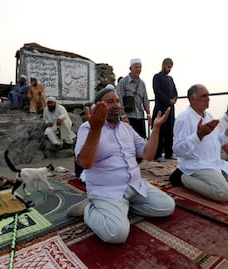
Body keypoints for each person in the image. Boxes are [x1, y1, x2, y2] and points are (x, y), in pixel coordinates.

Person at [66, 87, 175, 244]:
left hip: (134, 186)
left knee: (167, 206)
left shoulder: (126, 128)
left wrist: (156, 128)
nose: (117, 105)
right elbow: (85, 163)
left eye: (117, 101)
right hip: (107, 190)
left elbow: (148, 155)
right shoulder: (87, 128)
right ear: (97, 107)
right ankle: (90, 208)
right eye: (110, 102)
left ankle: (122, 207)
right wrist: (96, 128)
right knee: (116, 233)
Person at [172, 84, 228, 203]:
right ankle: (184, 177)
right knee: (223, 194)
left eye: (208, 96)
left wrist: (227, 132)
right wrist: (198, 135)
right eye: (204, 96)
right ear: (192, 99)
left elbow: (216, 142)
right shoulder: (184, 118)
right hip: (197, 165)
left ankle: (216, 179)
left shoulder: (208, 116)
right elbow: (177, 149)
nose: (208, 99)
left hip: (214, 162)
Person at [116, 58, 151, 138]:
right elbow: (119, 100)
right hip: (128, 117)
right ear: (130, 68)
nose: (138, 69)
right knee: (127, 141)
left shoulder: (142, 83)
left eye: (140, 67)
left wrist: (148, 114)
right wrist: (123, 116)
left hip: (140, 116)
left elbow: (145, 99)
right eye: (136, 67)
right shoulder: (123, 82)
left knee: (141, 140)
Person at [152, 58, 178, 162]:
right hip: (160, 109)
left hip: (170, 110)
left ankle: (168, 153)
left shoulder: (170, 79)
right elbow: (158, 92)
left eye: (171, 67)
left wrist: (174, 99)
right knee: (160, 131)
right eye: (168, 67)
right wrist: (168, 101)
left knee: (169, 131)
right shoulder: (157, 77)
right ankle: (157, 154)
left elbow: (175, 91)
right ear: (163, 65)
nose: (169, 69)